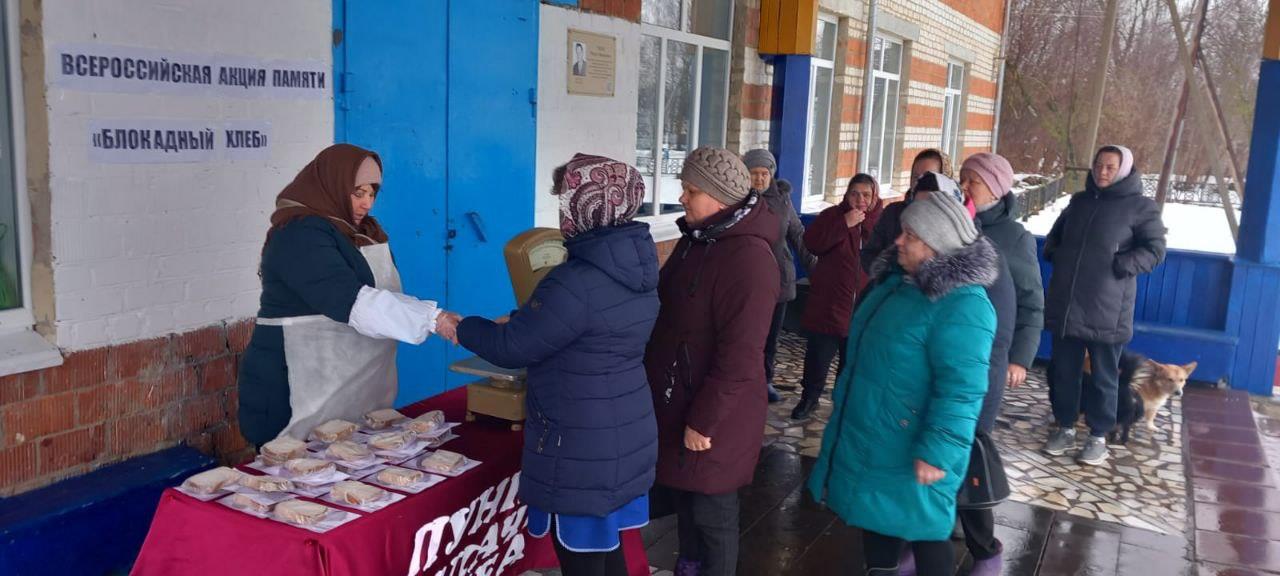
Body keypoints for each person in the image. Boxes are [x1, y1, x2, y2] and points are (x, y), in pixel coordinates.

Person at [454, 154, 659, 576]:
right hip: (624, 429)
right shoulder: (637, 267)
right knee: (610, 548)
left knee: (582, 561)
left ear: (583, 203)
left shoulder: (575, 280)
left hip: (580, 441)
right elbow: (589, 329)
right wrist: (534, 317)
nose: (561, 210)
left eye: (565, 198)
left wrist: (457, 326)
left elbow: (513, 347)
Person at [809, 191, 997, 576]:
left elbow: (962, 390)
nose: (898, 240)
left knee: (926, 533)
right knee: (876, 519)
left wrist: (938, 451)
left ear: (935, 244)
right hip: (877, 435)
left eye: (909, 235)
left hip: (913, 445)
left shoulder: (964, 305)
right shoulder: (898, 284)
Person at [239, 144, 449, 446]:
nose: (367, 204)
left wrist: (434, 316)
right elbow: (348, 299)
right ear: (332, 184)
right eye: (357, 192)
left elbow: (382, 295)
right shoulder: (300, 234)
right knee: (293, 470)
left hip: (353, 387)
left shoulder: (365, 232)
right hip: (298, 384)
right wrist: (434, 319)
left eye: (372, 192)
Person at [645, 147, 780, 576]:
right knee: (688, 505)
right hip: (682, 396)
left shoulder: (749, 259)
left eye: (690, 190)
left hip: (717, 416)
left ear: (720, 199)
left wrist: (705, 421)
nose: (681, 198)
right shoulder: (698, 240)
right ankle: (688, 568)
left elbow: (741, 356)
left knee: (713, 513)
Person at [1042, 145, 1167, 465]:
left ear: (1124, 170)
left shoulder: (1141, 208)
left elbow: (1155, 250)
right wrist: (1057, 255)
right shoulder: (1079, 202)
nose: (1102, 171)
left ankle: (1098, 435)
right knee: (1064, 373)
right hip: (1068, 305)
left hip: (1107, 310)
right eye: (1098, 165)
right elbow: (1055, 237)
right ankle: (1065, 427)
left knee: (1104, 378)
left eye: (1110, 167)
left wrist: (1121, 265)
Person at [952, 153, 1041, 575]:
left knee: (968, 453)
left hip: (987, 360)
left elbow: (1030, 302)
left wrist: (1020, 357)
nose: (965, 185)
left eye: (974, 180)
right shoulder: (952, 220)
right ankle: (932, 530)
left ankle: (985, 549)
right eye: (963, 177)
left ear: (998, 188)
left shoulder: (1014, 238)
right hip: (950, 354)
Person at [790, 173, 883, 420]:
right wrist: (844, 223)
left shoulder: (881, 222)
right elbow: (812, 244)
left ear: (874, 197)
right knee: (818, 359)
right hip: (829, 305)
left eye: (866, 194)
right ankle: (808, 399)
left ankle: (842, 405)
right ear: (846, 194)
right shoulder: (833, 215)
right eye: (855, 193)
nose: (860, 199)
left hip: (862, 308)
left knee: (850, 362)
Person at [742, 148, 816, 404]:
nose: (760, 179)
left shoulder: (783, 200)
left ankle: (766, 380)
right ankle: (743, 380)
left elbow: (797, 234)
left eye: (765, 173)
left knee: (771, 335)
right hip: (747, 280)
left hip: (779, 278)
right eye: (754, 173)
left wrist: (815, 267)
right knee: (748, 334)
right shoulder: (736, 200)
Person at [861, 148, 953, 273]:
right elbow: (868, 254)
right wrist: (890, 275)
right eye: (915, 176)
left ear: (944, 180)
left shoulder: (955, 221)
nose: (919, 182)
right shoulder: (893, 212)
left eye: (927, 176)